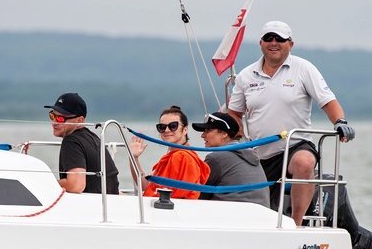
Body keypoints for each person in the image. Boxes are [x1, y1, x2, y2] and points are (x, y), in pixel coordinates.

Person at [228, 21, 355, 225]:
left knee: (305, 163)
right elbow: (233, 113)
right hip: (258, 154)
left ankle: (295, 225)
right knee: (258, 211)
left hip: (295, 145)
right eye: (269, 38)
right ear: (261, 43)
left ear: (290, 44)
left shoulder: (304, 69)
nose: (274, 43)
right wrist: (240, 140)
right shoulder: (245, 75)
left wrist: (340, 121)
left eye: (280, 39)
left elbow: (328, 101)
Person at [129, 105, 210, 199]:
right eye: (162, 127)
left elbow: (176, 197)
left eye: (173, 126)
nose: (167, 130)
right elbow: (145, 186)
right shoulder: (172, 157)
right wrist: (134, 158)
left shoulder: (183, 157)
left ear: (185, 129)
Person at [45, 92, 119, 194]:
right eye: (52, 116)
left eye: (60, 118)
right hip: (109, 203)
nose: (54, 122)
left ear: (80, 121)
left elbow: (76, 185)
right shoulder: (94, 139)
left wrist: (46, 185)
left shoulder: (71, 142)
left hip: (91, 207)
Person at [192, 112, 270, 207]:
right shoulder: (250, 155)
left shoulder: (216, 158)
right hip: (262, 214)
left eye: (208, 130)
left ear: (224, 134)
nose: (202, 135)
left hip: (232, 216)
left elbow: (199, 194)